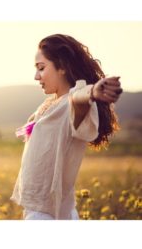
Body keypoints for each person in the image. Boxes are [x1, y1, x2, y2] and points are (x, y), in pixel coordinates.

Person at [10, 34, 123, 220]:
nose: (36, 76)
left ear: (61, 66)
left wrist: (93, 92)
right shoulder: (49, 104)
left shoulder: (71, 102)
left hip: (50, 214)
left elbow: (79, 98)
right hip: (37, 209)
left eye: (41, 68)